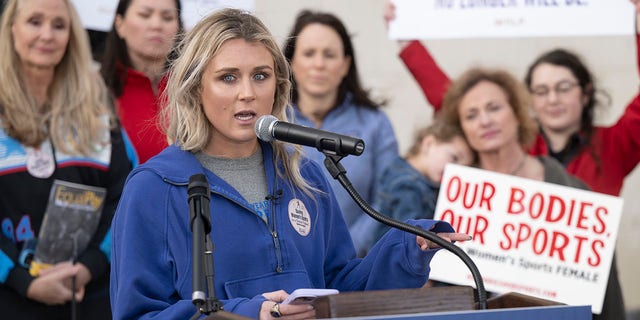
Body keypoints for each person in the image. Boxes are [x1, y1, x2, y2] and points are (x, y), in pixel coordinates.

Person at [110, 8, 471, 320]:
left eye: (261, 76)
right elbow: (140, 313)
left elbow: (339, 288)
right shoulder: (155, 186)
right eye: (228, 77)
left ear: (278, 87)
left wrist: (407, 249)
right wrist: (249, 313)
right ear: (194, 88)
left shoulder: (304, 174)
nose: (247, 92)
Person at [385, 1, 640, 197]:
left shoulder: (614, 146)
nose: (552, 99)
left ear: (586, 92)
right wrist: (409, 41)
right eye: (541, 91)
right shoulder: (514, 141)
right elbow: (456, 101)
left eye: (563, 88)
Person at [439, 67, 626, 320]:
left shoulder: (575, 191)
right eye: (471, 115)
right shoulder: (451, 198)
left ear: (517, 113)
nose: (484, 121)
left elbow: (606, 297)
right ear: (462, 129)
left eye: (494, 108)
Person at [0, 0, 131, 318]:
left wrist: (89, 266)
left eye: (59, 25)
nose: (47, 34)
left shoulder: (99, 110)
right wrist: (21, 279)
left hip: (90, 295)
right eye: (34, 21)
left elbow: (128, 195)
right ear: (11, 29)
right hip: (9, 298)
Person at [282, 10, 399, 231]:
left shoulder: (375, 123)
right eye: (309, 53)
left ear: (345, 64)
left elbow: (387, 199)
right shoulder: (271, 122)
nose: (319, 64)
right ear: (291, 62)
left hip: (358, 260)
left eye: (329, 55)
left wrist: (348, 251)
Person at [351, 121, 474, 256]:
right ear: (429, 144)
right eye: (454, 158)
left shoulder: (399, 169)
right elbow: (411, 238)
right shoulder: (408, 186)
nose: (454, 171)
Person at [100, 0, 183, 164]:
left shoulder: (195, 89)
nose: (157, 25)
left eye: (167, 18)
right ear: (120, 24)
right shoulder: (96, 90)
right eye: (145, 15)